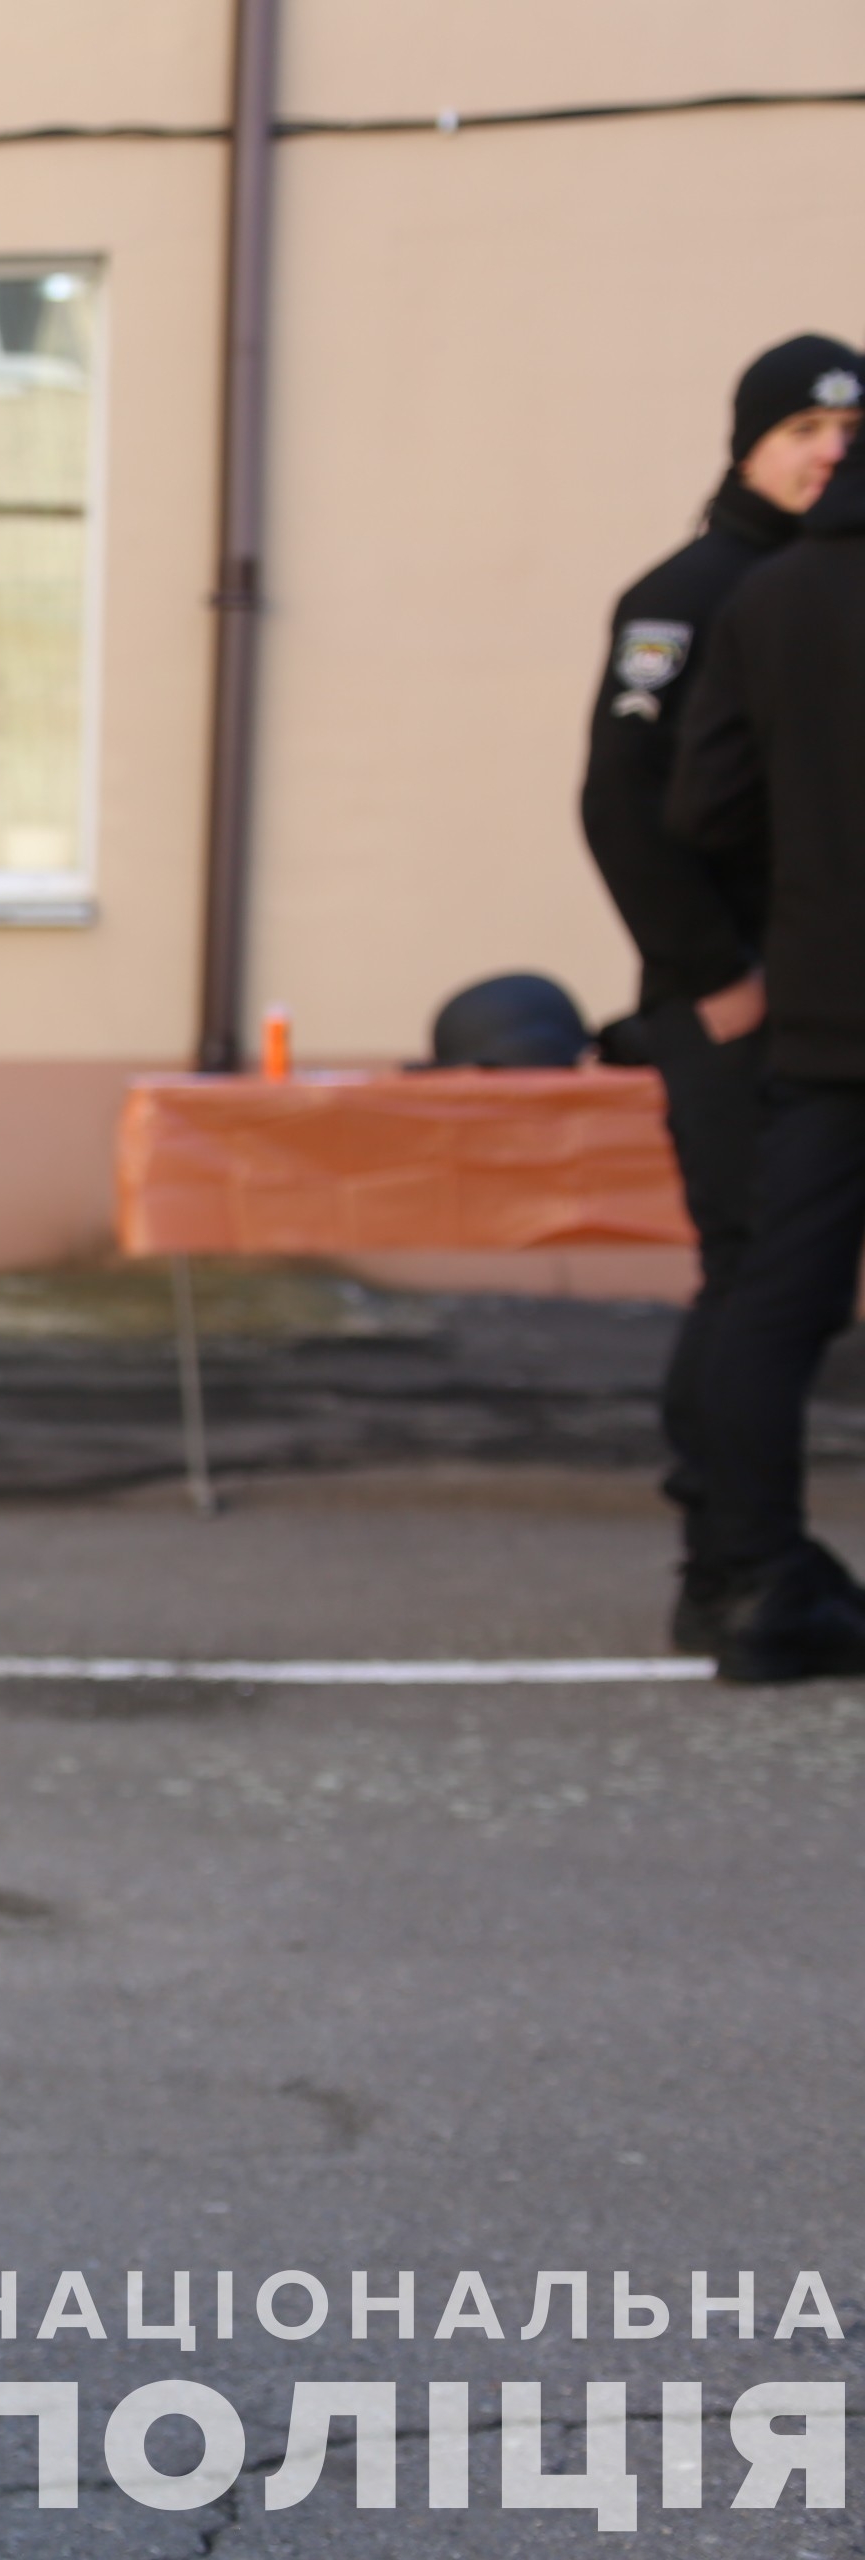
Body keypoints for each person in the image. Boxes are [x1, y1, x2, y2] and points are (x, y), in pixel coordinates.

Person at [578, 333, 862, 1650]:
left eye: (844, 439)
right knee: (757, 1270)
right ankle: (729, 1546)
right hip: (745, 996)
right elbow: (626, 811)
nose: (826, 455)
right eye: (801, 431)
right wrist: (714, 977)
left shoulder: (801, 584)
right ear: (748, 442)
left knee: (765, 1272)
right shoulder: (691, 595)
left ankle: (732, 1545)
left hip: (807, 988)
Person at [668, 349, 865, 1683]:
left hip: (827, 1023)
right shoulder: (698, 593)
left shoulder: (772, 599)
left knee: (771, 1307)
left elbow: (700, 812)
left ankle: (748, 1580)